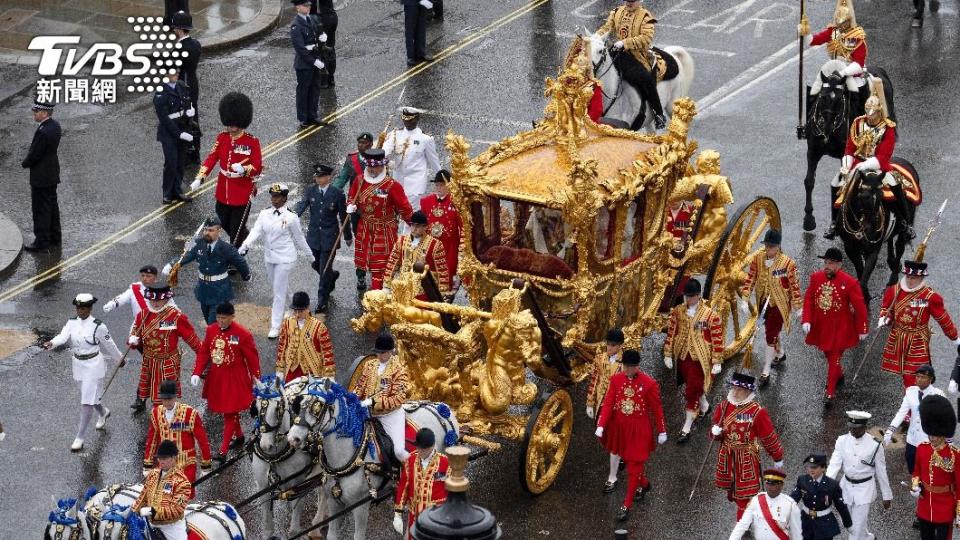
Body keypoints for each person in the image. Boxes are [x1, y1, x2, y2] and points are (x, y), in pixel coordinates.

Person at [827, 79, 913, 240]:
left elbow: (883, 156)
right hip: (856, 163)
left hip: (878, 166)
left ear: (879, 112)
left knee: (893, 185)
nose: (869, 116)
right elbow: (850, 148)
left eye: (872, 113)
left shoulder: (888, 128)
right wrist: (846, 164)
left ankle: (904, 222)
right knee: (835, 183)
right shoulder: (858, 123)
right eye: (867, 111)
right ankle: (834, 223)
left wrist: (864, 166)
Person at [42, 294, 123, 451]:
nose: (80, 311)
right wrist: (51, 342)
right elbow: (62, 336)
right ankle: (104, 412)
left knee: (86, 402)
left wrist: (119, 359)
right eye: (78, 308)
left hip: (93, 366)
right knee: (91, 398)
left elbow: (110, 344)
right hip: (78, 364)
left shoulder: (99, 326)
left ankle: (80, 437)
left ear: (90, 308)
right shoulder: (72, 322)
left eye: (83, 308)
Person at [595, 349, 667, 521]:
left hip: (639, 431)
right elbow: (608, 404)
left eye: (631, 367)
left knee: (634, 467)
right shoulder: (616, 380)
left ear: (637, 366)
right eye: (625, 366)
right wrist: (601, 425)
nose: (627, 370)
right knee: (630, 464)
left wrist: (662, 430)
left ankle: (626, 505)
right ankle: (645, 484)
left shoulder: (649, 384)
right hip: (620, 430)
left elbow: (657, 409)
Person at [239, 183, 314, 338]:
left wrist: (309, 255)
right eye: (273, 196)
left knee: (278, 292)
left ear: (285, 198)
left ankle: (275, 325)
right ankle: (294, 306)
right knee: (280, 285)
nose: (274, 199)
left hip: (286, 258)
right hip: (270, 257)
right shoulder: (264, 213)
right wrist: (245, 244)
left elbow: (299, 238)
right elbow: (256, 231)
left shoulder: (291, 217)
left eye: (278, 197)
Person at [191, 302, 261, 461]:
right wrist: (197, 372)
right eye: (218, 317)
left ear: (232, 317)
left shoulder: (242, 334)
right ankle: (240, 435)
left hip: (234, 379)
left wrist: (256, 378)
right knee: (228, 410)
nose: (220, 321)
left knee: (230, 413)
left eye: (224, 318)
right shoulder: (211, 330)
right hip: (218, 377)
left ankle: (222, 452)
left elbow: (252, 358)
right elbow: (204, 353)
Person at [191, 92, 262, 246]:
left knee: (236, 230)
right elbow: (211, 158)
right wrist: (200, 177)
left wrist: (244, 170)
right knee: (224, 223)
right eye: (229, 124)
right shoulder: (222, 137)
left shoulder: (252, 142)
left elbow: (257, 166)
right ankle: (246, 240)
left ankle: (235, 261)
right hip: (223, 189)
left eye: (234, 124)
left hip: (242, 191)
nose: (231, 128)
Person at [712, 373, 785, 521]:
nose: (736, 391)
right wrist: (715, 433)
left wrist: (777, 457)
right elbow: (717, 430)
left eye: (740, 389)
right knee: (733, 492)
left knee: (744, 497)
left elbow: (768, 436)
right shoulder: (723, 406)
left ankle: (743, 526)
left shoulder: (757, 412)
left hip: (745, 459)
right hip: (727, 456)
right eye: (734, 387)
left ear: (748, 391)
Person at [801, 248, 867, 404]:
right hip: (822, 327)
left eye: (830, 263)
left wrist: (862, 329)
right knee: (828, 355)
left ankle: (830, 391)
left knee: (834, 359)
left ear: (839, 264)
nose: (827, 265)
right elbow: (809, 299)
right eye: (825, 262)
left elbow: (860, 307)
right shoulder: (816, 278)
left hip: (840, 328)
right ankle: (839, 374)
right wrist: (807, 319)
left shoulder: (850, 282)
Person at [878, 260, 958, 388]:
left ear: (921, 278)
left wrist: (954, 336)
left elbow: (942, 318)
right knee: (906, 376)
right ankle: (914, 401)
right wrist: (885, 319)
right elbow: (886, 309)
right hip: (898, 338)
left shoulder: (929, 297)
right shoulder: (894, 291)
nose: (910, 281)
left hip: (917, 341)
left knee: (914, 378)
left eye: (914, 278)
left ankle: (913, 405)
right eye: (908, 277)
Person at [738, 229, 801, 385]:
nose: (768, 249)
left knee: (770, 333)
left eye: (771, 246)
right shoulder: (758, 259)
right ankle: (780, 353)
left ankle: (766, 370)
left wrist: (798, 306)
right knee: (770, 330)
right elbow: (751, 278)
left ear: (778, 247)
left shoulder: (788, 263)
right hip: (762, 301)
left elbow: (794, 286)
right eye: (766, 246)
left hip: (779, 303)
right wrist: (745, 298)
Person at [664, 278, 724, 443]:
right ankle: (704, 406)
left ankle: (687, 427)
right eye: (686, 296)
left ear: (698, 296)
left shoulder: (711, 317)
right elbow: (672, 333)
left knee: (691, 392)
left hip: (700, 362)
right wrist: (668, 354)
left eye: (690, 296)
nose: (687, 300)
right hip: (683, 358)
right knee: (694, 387)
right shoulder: (678, 311)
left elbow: (717, 340)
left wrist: (717, 361)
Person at [127, 282, 201, 411]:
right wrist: (133, 341)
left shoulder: (176, 316)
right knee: (152, 395)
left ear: (166, 299)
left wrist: (203, 356)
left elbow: (192, 339)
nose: (155, 303)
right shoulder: (143, 315)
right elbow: (135, 335)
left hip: (167, 362)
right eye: (152, 299)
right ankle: (159, 421)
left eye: (159, 300)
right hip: (149, 361)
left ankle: (164, 422)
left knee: (164, 398)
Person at [163, 216, 250, 324]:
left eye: (211, 230)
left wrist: (246, 276)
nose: (206, 233)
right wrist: (172, 265)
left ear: (219, 231)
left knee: (213, 324)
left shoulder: (226, 248)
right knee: (208, 319)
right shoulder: (199, 243)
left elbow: (240, 262)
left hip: (219, 291)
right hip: (203, 289)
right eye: (205, 230)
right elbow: (187, 255)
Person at [347, 148, 414, 291]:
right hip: (365, 227)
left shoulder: (392, 185)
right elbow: (352, 197)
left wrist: (415, 227)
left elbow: (404, 208)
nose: (371, 170)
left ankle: (379, 294)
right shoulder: (359, 181)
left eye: (375, 167)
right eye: (369, 167)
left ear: (382, 166)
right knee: (365, 262)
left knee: (380, 266)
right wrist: (350, 206)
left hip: (384, 229)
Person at [598, 0, 665, 129]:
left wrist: (625, 43)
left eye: (632, 1)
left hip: (637, 56)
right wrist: (595, 37)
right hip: (618, 53)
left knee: (645, 79)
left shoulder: (646, 17)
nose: (629, 4)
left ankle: (658, 113)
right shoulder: (617, 12)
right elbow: (606, 28)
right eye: (627, 1)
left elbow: (646, 38)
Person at [826, 411, 892, 540]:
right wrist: (826, 486)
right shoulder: (842, 440)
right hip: (846, 487)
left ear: (864, 427)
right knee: (848, 522)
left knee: (855, 529)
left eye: (856, 428)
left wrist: (886, 495)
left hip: (864, 489)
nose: (852, 431)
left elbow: (881, 471)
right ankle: (868, 537)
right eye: (850, 427)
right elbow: (834, 464)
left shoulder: (875, 445)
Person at [295, 163, 351, 313]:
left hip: (329, 237)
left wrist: (347, 235)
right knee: (315, 264)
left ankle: (322, 301)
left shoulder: (337, 193)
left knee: (324, 269)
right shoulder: (311, 191)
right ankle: (332, 276)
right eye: (316, 177)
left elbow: (343, 215)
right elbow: (301, 206)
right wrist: (291, 217)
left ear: (328, 177)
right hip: (313, 237)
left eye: (321, 177)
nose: (318, 179)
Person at [353, 334, 410, 462]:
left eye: (382, 353)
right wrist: (352, 398)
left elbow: (398, 398)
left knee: (399, 451)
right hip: (368, 413)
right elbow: (360, 386)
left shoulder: (399, 370)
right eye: (377, 352)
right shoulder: (369, 365)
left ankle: (408, 472)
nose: (379, 356)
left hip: (390, 415)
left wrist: (374, 402)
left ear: (391, 351)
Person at [143, 380, 211, 487]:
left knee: (182, 494)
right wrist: (147, 463)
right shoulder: (156, 413)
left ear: (175, 397)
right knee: (163, 495)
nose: (166, 403)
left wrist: (206, 464)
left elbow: (202, 440)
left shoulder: (190, 413)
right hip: (164, 464)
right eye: (164, 399)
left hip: (185, 464)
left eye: (169, 399)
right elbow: (152, 440)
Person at [912, 394, 960, 539]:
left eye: (936, 435)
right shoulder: (922, 448)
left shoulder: (955, 454)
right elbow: (916, 472)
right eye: (930, 434)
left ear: (943, 434)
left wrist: (959, 510)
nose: (932, 438)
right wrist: (915, 485)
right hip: (925, 505)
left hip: (945, 507)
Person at [799, 0, 867, 97]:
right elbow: (814, 40)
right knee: (817, 90)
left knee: (857, 92)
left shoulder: (856, 37)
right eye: (839, 22)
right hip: (833, 69)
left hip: (851, 71)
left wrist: (843, 73)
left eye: (843, 23)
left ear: (848, 21)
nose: (840, 25)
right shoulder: (834, 32)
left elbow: (858, 63)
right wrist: (805, 33)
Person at [885, 365, 944, 475]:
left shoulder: (938, 395)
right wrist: (890, 430)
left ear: (930, 379)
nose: (919, 379)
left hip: (928, 440)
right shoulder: (910, 392)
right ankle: (916, 485)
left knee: (927, 470)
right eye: (917, 376)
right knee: (912, 467)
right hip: (912, 439)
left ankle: (924, 490)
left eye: (923, 377)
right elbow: (901, 413)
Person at [586, 328, 624, 493]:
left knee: (613, 441)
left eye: (613, 345)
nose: (609, 348)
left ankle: (612, 477)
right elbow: (595, 380)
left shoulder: (625, 363)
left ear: (620, 346)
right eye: (608, 344)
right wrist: (589, 402)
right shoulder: (600, 359)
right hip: (601, 404)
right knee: (606, 437)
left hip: (617, 407)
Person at [21, 100, 62, 251]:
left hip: (41, 177)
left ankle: (41, 243)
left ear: (44, 113)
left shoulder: (43, 131)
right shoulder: (55, 125)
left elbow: (35, 154)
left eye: (36, 111)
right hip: (52, 174)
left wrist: (25, 163)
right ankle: (55, 238)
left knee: (40, 210)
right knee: (52, 207)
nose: (34, 114)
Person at [393, 428, 448, 539]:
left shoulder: (445, 462)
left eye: (422, 449)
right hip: (415, 516)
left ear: (431, 447)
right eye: (418, 448)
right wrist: (397, 514)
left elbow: (452, 489)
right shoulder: (411, 460)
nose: (419, 451)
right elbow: (403, 486)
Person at [382, 107, 441, 210]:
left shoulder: (425, 139)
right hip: (399, 180)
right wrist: (378, 155)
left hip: (416, 182)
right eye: (405, 119)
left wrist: (441, 176)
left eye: (410, 119)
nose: (407, 122)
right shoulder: (395, 134)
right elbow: (386, 149)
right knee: (398, 209)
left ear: (417, 118)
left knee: (411, 211)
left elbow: (433, 160)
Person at [132, 439, 191, 540]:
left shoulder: (183, 483)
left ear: (173, 458)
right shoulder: (153, 474)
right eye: (159, 458)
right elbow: (143, 496)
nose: (160, 461)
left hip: (171, 528)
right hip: (150, 523)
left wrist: (153, 511)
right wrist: (133, 511)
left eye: (164, 458)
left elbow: (175, 510)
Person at [384, 210, 451, 296]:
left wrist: (443, 293)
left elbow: (442, 271)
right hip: (403, 288)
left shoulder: (436, 245)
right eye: (412, 225)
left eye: (418, 226)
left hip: (424, 292)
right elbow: (392, 263)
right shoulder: (401, 240)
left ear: (425, 227)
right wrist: (386, 286)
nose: (414, 229)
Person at [153, 66, 194, 204]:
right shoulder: (160, 92)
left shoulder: (181, 85)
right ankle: (167, 193)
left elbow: (187, 101)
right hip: (169, 133)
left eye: (177, 71)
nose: (176, 74)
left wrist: (190, 111)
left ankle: (178, 191)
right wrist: (180, 134)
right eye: (173, 72)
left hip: (182, 127)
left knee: (181, 163)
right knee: (171, 162)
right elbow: (164, 118)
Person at [275, 291, 335, 382]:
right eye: (295, 311)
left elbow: (327, 352)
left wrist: (329, 375)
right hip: (292, 371)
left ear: (307, 308)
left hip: (312, 373)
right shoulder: (287, 323)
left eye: (301, 311)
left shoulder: (319, 327)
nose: (297, 314)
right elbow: (282, 347)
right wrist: (280, 370)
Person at [790, 453, 852, 539]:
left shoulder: (832, 485)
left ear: (823, 468)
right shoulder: (802, 480)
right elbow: (792, 500)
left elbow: (841, 506)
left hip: (824, 523)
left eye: (814, 467)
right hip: (805, 521)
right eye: (809, 467)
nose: (811, 470)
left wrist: (848, 524)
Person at [729, 469, 803, 540]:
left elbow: (797, 532)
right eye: (768, 484)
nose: (770, 488)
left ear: (781, 485)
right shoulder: (756, 500)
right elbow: (742, 525)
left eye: (774, 485)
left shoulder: (790, 504)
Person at [419, 169, 463, 280]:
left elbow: (463, 226)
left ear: (449, 186)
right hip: (430, 244)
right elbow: (421, 223)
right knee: (428, 273)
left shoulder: (457, 203)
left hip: (449, 246)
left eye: (442, 185)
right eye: (437, 185)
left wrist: (463, 246)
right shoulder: (426, 202)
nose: (439, 188)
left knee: (446, 274)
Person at [290, 0, 327, 128]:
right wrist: (315, 61)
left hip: (315, 60)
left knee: (315, 89)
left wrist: (322, 36)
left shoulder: (311, 19)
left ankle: (313, 115)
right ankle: (303, 118)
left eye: (309, 5)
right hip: (304, 64)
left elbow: (316, 33)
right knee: (303, 91)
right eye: (305, 5)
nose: (308, 7)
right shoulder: (296, 25)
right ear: (298, 7)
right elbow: (300, 49)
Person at [171, 11, 202, 161]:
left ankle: (188, 152)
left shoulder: (178, 49)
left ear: (179, 29)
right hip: (193, 83)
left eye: (175, 27)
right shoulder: (196, 44)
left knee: (183, 119)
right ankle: (196, 149)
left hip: (183, 86)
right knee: (194, 117)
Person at [401, 0, 435, 66]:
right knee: (410, 29)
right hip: (411, 2)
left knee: (421, 27)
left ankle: (421, 52)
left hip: (422, 3)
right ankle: (410, 56)